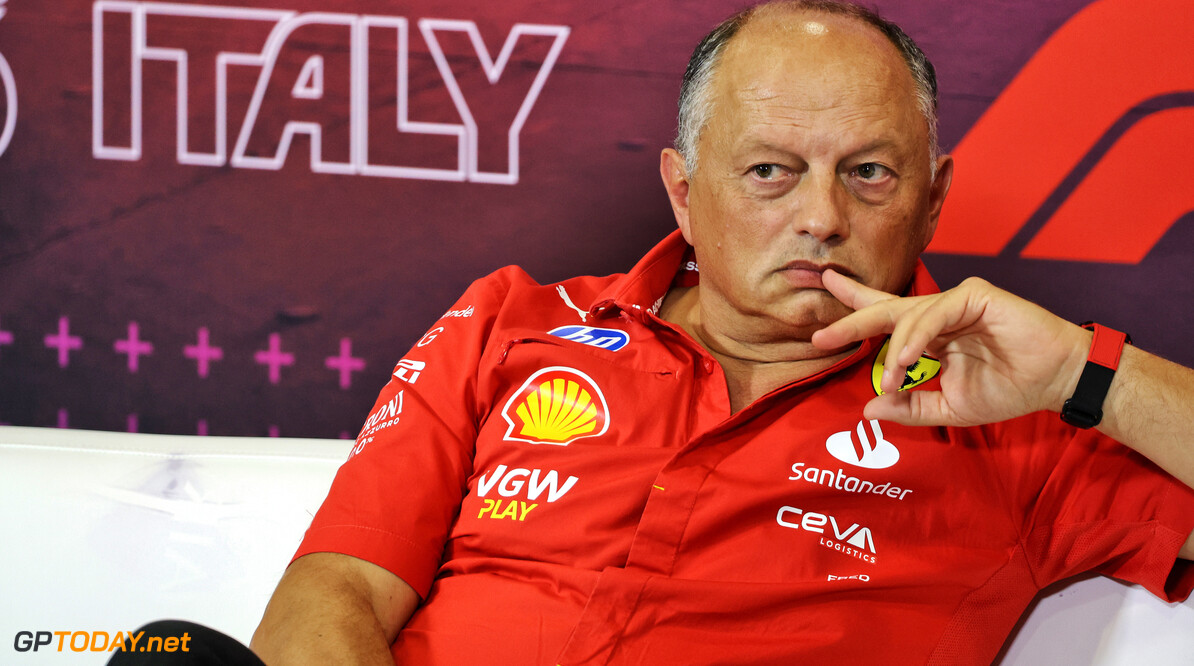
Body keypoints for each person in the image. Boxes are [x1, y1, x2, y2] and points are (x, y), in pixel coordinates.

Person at [247, 1, 1194, 664]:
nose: (821, 216)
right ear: (682, 191)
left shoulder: (1013, 411)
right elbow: (333, 597)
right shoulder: (511, 326)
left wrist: (1081, 367)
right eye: (770, 172)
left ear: (933, 199)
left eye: (868, 172)